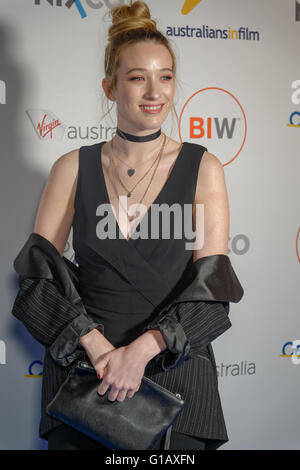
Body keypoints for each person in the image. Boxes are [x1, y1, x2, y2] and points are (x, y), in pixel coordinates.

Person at [13, 1, 244, 451]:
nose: (154, 91)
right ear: (110, 86)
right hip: (87, 381)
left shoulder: (203, 167)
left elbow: (212, 290)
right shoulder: (71, 167)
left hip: (174, 382)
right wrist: (101, 351)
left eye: (166, 76)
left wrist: (139, 353)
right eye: (138, 77)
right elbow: (37, 282)